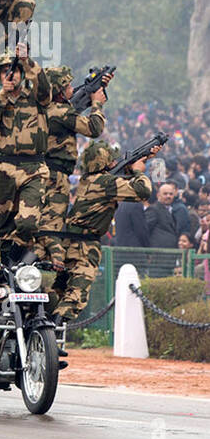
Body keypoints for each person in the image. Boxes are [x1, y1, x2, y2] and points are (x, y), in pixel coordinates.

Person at [47, 142, 153, 323]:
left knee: (60, 290)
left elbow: (116, 183)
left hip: (72, 243)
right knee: (76, 296)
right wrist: (138, 171)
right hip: (84, 247)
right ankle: (49, 334)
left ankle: (41, 333)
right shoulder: (104, 182)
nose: (114, 162)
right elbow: (143, 191)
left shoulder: (89, 179)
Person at [0, 44, 55, 265]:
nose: (10, 75)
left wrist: (26, 60)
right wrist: (3, 93)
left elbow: (45, 91)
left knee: (27, 224)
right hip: (5, 168)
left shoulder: (34, 98)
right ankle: (6, 267)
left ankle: (20, 259)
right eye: (4, 72)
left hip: (33, 169)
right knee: (2, 225)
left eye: (12, 71)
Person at [43, 65, 108, 254]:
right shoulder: (60, 111)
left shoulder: (49, 107)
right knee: (52, 225)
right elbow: (94, 129)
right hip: (55, 175)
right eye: (68, 85)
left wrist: (98, 87)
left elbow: (76, 104)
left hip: (50, 172)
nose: (72, 88)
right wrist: (97, 104)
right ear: (59, 90)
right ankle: (40, 261)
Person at [146, 182, 184, 249]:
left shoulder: (173, 210)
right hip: (157, 252)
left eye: (171, 194)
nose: (168, 196)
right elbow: (145, 230)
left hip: (169, 253)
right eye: (165, 194)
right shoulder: (153, 209)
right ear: (158, 195)